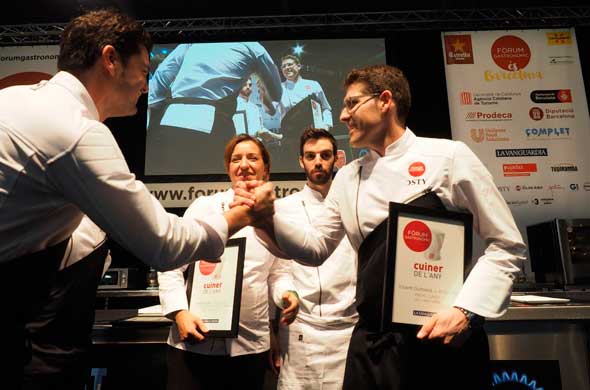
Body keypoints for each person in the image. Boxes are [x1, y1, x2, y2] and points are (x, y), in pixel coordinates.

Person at [0, 9, 260, 389]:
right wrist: (240, 217)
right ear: (109, 59)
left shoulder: (13, 98)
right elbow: (165, 244)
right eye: (143, 71)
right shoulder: (76, 130)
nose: (146, 85)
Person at [237, 64, 527, 389]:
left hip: (438, 336)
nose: (343, 116)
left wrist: (466, 311)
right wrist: (265, 218)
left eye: (351, 104)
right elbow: (314, 248)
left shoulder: (447, 157)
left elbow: (507, 244)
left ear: (385, 100)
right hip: (372, 343)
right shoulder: (348, 177)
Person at [158, 134, 299, 390]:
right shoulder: (203, 208)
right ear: (228, 168)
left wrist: (287, 294)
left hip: (250, 346)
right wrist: (179, 312)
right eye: (236, 159)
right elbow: (171, 264)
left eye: (252, 158)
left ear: (266, 168)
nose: (244, 164)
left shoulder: (277, 216)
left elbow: (279, 273)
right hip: (193, 343)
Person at [269, 128, 358, 390]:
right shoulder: (283, 208)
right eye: (310, 156)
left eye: (325, 155)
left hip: (348, 328)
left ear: (337, 159)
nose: (318, 161)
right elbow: (279, 270)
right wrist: (286, 295)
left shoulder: (354, 205)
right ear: (301, 161)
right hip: (301, 331)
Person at [146, 42, 283, 174]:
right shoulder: (253, 47)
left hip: (171, 119)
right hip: (210, 123)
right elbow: (276, 93)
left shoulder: (191, 43)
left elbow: (160, 78)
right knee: (215, 186)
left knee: (167, 182)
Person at [233, 77, 282, 143]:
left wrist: (277, 136)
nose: (248, 87)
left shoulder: (254, 107)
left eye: (250, 85)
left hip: (257, 144)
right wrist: (257, 134)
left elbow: (260, 128)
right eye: (244, 85)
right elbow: (238, 132)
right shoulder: (234, 106)